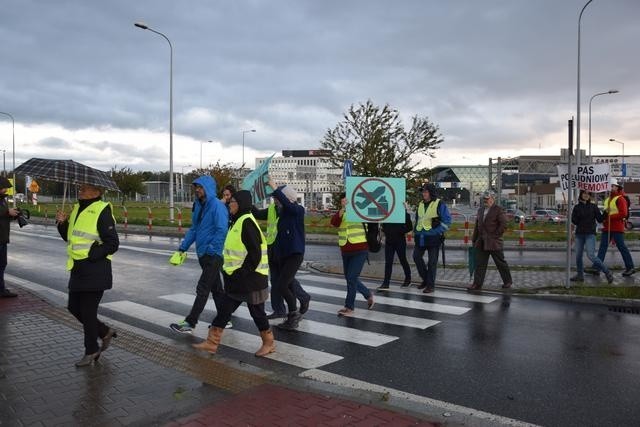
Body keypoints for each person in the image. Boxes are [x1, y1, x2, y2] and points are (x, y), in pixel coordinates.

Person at [192, 190, 275, 357]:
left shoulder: (247, 223)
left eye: (234, 202)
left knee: (257, 313)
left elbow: (255, 254)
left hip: (251, 280)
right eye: (230, 202)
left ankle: (269, 343)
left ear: (242, 204)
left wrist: (241, 273)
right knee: (224, 310)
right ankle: (211, 343)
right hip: (237, 280)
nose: (230, 204)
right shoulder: (236, 221)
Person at [55, 183, 119, 367]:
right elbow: (69, 237)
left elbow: (112, 243)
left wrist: (93, 254)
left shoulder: (102, 210)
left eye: (84, 189)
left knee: (88, 312)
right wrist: (62, 222)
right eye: (80, 188)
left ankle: (91, 350)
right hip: (78, 268)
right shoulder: (77, 208)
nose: (80, 191)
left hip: (95, 270)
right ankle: (105, 331)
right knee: (73, 307)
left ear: (96, 192)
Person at [169, 176, 229, 334]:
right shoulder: (198, 205)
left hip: (213, 255)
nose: (197, 190)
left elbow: (222, 230)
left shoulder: (217, 206)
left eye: (200, 187)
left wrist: (211, 248)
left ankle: (190, 322)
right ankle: (225, 319)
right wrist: (182, 248)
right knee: (217, 289)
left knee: (203, 288)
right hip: (203, 253)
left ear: (208, 188)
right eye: (196, 187)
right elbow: (194, 228)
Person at [252, 194, 310, 320]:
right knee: (276, 281)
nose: (275, 200)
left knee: (285, 281)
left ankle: (301, 299)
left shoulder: (292, 210)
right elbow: (257, 214)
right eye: (274, 198)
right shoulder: (272, 209)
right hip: (273, 249)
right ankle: (279, 310)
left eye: (277, 197)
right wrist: (248, 202)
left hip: (285, 251)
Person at [265, 179, 308, 330]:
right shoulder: (282, 212)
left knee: (282, 285)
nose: (276, 200)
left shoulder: (297, 210)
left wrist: (275, 188)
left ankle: (293, 315)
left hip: (295, 254)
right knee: (286, 285)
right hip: (284, 254)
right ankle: (292, 316)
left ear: (288, 197)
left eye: (278, 197)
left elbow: (289, 205)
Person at [331, 193, 374, 316]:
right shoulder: (341, 212)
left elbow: (375, 217)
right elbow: (334, 223)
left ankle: (349, 307)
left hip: (360, 248)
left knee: (351, 278)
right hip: (345, 249)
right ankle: (368, 294)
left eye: (346, 200)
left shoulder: (360, 210)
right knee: (351, 278)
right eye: (342, 200)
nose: (344, 202)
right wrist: (342, 209)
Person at [586, 178, 635, 277]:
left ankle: (630, 267)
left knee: (622, 247)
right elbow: (606, 213)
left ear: (617, 187)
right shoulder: (607, 199)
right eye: (609, 186)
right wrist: (604, 218)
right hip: (607, 228)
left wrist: (609, 217)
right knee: (602, 248)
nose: (610, 188)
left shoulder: (620, 199)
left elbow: (623, 213)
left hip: (617, 228)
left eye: (612, 186)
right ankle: (596, 268)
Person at [467, 191, 513, 291]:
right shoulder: (480, 210)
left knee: (500, 263)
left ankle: (507, 281)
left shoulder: (498, 210)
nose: (485, 201)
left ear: (492, 199)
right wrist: (474, 239)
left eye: (487, 199)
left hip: (494, 242)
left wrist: (496, 235)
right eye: (484, 199)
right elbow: (477, 226)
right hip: (481, 241)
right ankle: (477, 284)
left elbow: (504, 224)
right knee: (480, 264)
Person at [412, 183, 451, 293]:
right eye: (423, 191)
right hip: (420, 237)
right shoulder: (420, 204)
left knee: (432, 262)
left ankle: (430, 285)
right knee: (416, 257)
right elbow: (418, 219)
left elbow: (447, 222)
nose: (423, 193)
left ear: (431, 192)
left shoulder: (439, 204)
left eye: (425, 191)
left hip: (433, 238)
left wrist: (436, 231)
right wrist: (415, 231)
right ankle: (426, 280)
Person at [571, 190, 613, 283]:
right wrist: (576, 215)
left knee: (591, 255)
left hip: (590, 234)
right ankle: (580, 275)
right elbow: (574, 221)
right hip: (579, 234)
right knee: (578, 256)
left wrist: (606, 212)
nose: (586, 195)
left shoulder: (593, 207)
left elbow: (600, 219)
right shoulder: (577, 207)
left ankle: (607, 271)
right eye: (584, 193)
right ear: (581, 195)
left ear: (590, 196)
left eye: (588, 194)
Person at [377, 202, 412, 291]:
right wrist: (384, 233)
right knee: (388, 262)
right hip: (389, 241)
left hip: (400, 241)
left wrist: (401, 230)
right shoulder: (387, 214)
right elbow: (383, 226)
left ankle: (408, 279)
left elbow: (409, 227)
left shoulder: (402, 214)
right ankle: (386, 283)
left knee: (403, 260)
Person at [0, 176, 19, 298]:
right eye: (3, 188)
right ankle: (1, 290)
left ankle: (1, 288)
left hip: (2, 237)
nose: (6, 190)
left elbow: (4, 215)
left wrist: (13, 215)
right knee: (0, 264)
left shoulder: (3, 200)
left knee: (2, 264)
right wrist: (7, 212)